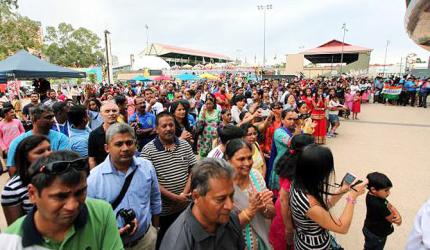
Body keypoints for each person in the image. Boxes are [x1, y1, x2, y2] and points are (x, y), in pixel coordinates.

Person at [0, 150, 123, 249]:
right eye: (60, 196)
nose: (72, 206)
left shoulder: (101, 213)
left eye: (80, 192)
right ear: (33, 194)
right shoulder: (9, 242)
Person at [88, 123, 161, 249]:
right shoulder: (94, 179)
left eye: (129, 143)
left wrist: (154, 229)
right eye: (118, 144)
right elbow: (90, 219)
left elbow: (155, 200)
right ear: (107, 148)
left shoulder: (147, 167)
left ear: (135, 144)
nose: (125, 148)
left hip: (145, 241)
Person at [291, 144, 368, 250]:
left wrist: (341, 191)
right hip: (314, 246)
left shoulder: (299, 184)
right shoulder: (310, 204)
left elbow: (322, 208)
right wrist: (352, 196)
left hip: (304, 239)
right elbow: (342, 227)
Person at [160, 158, 245, 250]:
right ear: (196, 196)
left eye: (231, 196)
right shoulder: (178, 243)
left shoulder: (230, 218)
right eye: (220, 199)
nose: (230, 206)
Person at [141, 111, 197, 248]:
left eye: (171, 125)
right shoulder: (148, 151)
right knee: (163, 242)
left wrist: (184, 193)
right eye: (164, 126)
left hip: (185, 207)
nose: (168, 128)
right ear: (156, 129)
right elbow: (151, 182)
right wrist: (175, 197)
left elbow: (193, 170)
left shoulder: (184, 145)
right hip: (162, 212)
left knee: (184, 240)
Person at [224, 138, 275, 250]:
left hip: (261, 242)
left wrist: (264, 208)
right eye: (241, 159)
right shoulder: (222, 184)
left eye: (249, 158)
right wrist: (251, 210)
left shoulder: (256, 176)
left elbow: (271, 213)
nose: (247, 163)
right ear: (228, 159)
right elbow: (224, 228)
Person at [269, 134, 315, 250]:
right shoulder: (295, 170)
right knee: (286, 243)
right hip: (287, 212)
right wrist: (288, 228)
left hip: (286, 207)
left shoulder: (290, 159)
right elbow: (285, 199)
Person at [1, 135, 51, 225]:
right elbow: (15, 228)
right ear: (25, 157)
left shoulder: (58, 175)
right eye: (40, 152)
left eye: (49, 149)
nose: (48, 154)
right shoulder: (13, 189)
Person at [6, 105, 69, 176]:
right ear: (34, 119)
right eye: (48, 117)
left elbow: (64, 164)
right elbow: (12, 168)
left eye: (52, 117)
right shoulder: (18, 142)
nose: (53, 120)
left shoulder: (61, 138)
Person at [363, 172, 401, 250]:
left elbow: (389, 205)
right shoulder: (379, 205)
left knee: (368, 247)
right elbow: (392, 218)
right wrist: (398, 218)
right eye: (386, 190)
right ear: (373, 189)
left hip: (369, 228)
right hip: (377, 234)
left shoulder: (372, 194)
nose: (389, 193)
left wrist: (395, 211)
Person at [268, 108, 298, 193]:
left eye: (294, 119)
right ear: (282, 120)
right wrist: (298, 130)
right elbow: (292, 143)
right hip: (282, 165)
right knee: (282, 194)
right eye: (289, 119)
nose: (292, 121)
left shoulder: (295, 130)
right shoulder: (279, 132)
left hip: (293, 165)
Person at [88, 101, 119, 168]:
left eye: (114, 111)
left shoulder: (126, 131)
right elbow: (92, 159)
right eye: (107, 111)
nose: (111, 113)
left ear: (118, 113)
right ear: (101, 114)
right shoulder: (94, 135)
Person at [0, 105, 25, 169]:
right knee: (13, 164)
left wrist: (21, 140)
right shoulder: (0, 124)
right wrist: (4, 149)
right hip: (9, 148)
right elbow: (0, 138)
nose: (13, 114)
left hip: (20, 145)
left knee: (23, 162)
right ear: (5, 114)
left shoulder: (17, 121)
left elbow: (23, 131)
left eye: (13, 112)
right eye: (11, 112)